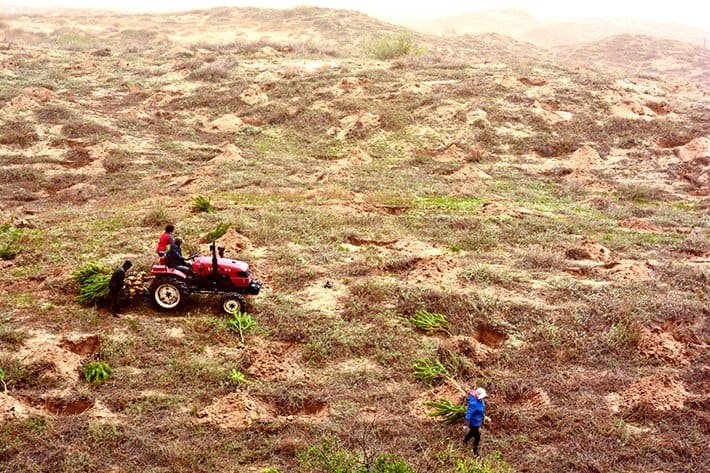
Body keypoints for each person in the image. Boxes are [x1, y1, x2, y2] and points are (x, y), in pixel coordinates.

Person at [464, 387, 488, 457]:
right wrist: (466, 424)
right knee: (477, 437)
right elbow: (469, 414)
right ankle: (475, 452)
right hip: (473, 423)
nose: (483, 398)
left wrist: (484, 416)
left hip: (477, 421)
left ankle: (465, 441)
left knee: (471, 433)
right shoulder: (474, 403)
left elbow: (481, 410)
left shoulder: (480, 401)